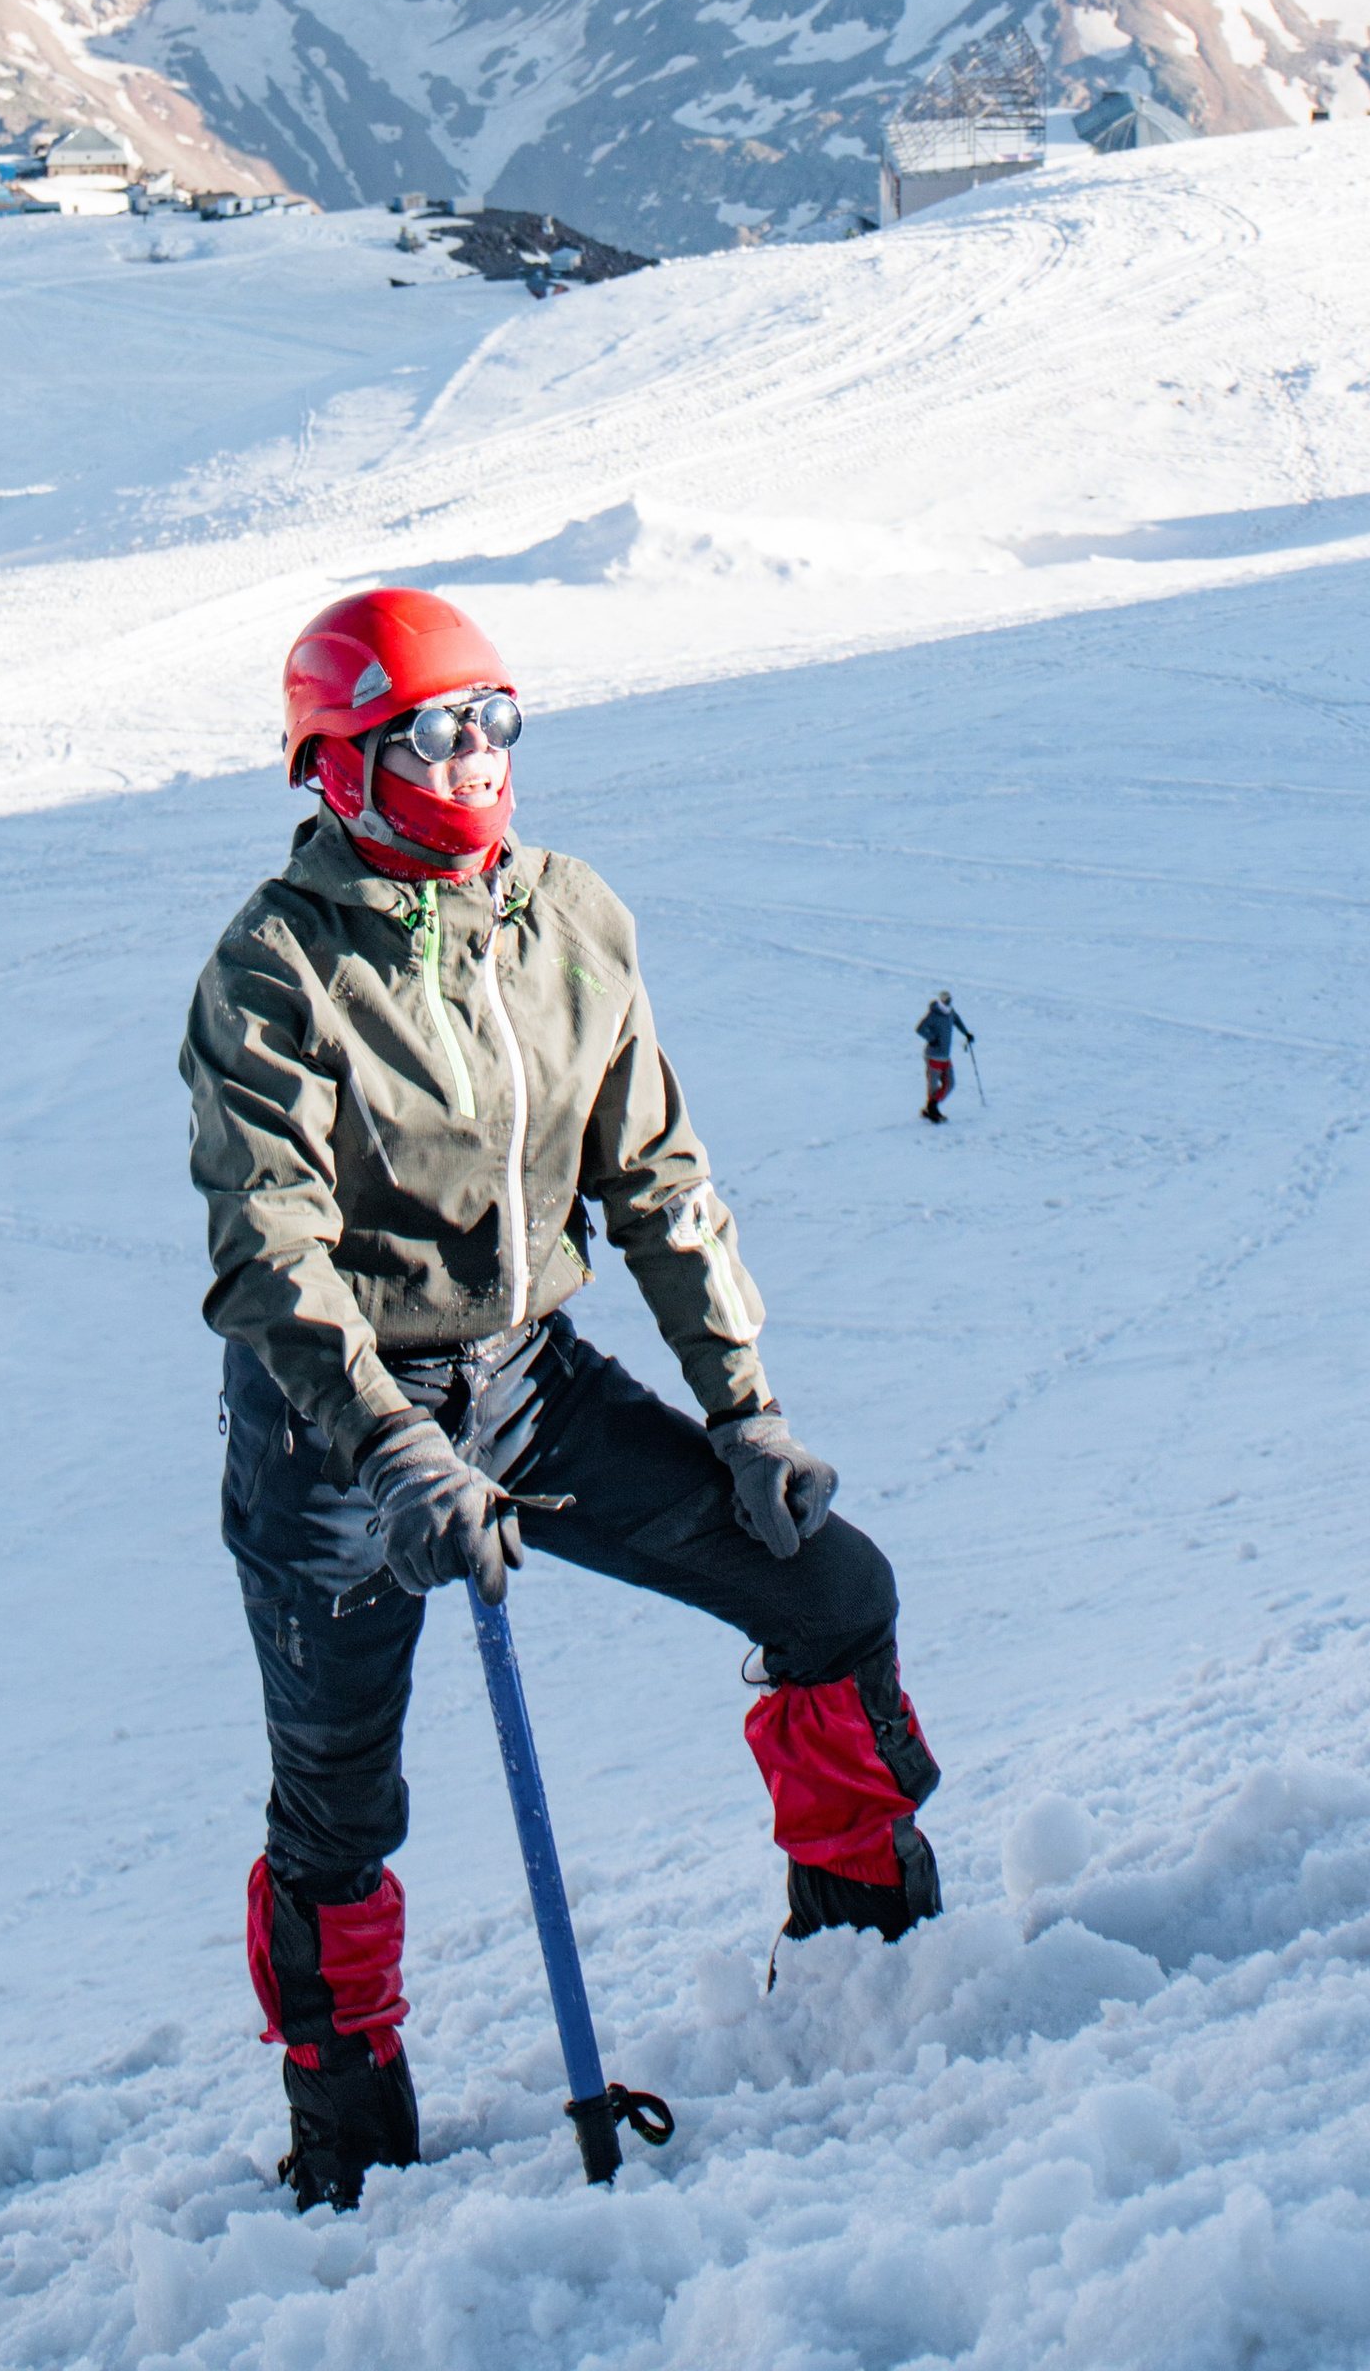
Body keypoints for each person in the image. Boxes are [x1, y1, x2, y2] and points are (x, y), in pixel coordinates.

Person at [184, 587, 942, 2210]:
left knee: (830, 1591)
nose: (476, 756)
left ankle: (865, 1953)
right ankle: (349, 2143)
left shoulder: (568, 921)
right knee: (339, 1804)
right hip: (340, 1436)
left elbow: (657, 1174)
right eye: (433, 729)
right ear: (342, 765)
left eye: (494, 717)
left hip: (528, 1384)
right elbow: (269, 1252)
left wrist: (744, 1410)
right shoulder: (278, 971)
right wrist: (391, 1448)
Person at [914, 992, 973, 1121]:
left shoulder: (951, 1012)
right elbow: (919, 1028)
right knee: (933, 1086)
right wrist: (932, 1039)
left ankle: (931, 1107)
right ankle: (932, 1110)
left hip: (945, 1056)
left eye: (949, 1000)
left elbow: (957, 1021)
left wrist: (966, 1033)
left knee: (950, 1083)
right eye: (945, 1000)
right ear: (940, 1001)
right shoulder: (933, 1015)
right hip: (933, 1056)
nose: (948, 1002)